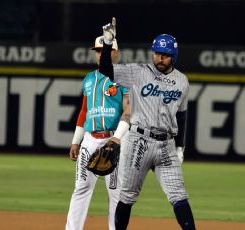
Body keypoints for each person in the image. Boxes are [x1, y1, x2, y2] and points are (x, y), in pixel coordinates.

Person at [98, 18, 196, 230]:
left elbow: (182, 115)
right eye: (157, 53)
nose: (160, 58)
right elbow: (106, 69)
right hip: (139, 141)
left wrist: (180, 146)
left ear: (174, 56)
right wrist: (107, 44)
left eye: (166, 55)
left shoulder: (182, 81)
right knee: (127, 196)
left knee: (179, 195)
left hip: (167, 145)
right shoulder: (138, 72)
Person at [66, 35, 131, 230]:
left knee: (116, 193)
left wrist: (117, 139)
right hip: (90, 139)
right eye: (97, 51)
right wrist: (76, 141)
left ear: (115, 53)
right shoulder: (89, 78)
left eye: (104, 51)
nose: (99, 54)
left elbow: (129, 111)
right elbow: (84, 111)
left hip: (116, 138)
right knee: (81, 189)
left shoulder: (125, 77)